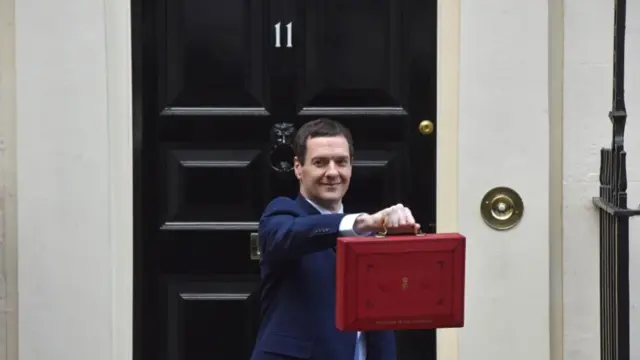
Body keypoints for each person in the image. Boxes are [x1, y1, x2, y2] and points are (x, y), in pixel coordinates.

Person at [250, 118, 420, 360]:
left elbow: (382, 315)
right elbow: (286, 236)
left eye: (341, 162)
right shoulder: (282, 213)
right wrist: (361, 223)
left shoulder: (371, 234)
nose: (332, 172)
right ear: (298, 167)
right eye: (320, 163)